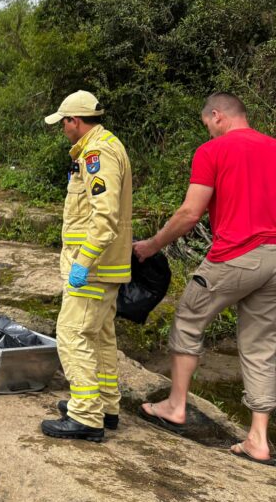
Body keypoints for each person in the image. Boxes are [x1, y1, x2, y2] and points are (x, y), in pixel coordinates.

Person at [133, 93, 276, 466]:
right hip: (275, 257)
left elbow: (189, 213)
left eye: (208, 125)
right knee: (260, 344)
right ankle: (258, 439)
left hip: (235, 255)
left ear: (217, 116)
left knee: (188, 319)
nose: (209, 132)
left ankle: (176, 405)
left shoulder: (212, 151)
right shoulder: (273, 147)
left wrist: (151, 245)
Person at [40, 90, 132, 442]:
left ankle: (85, 416)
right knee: (101, 337)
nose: (62, 128)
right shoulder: (107, 145)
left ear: (74, 121)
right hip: (105, 266)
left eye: (64, 122)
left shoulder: (96, 152)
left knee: (73, 334)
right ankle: (106, 406)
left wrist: (82, 261)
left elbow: (104, 215)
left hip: (92, 267)